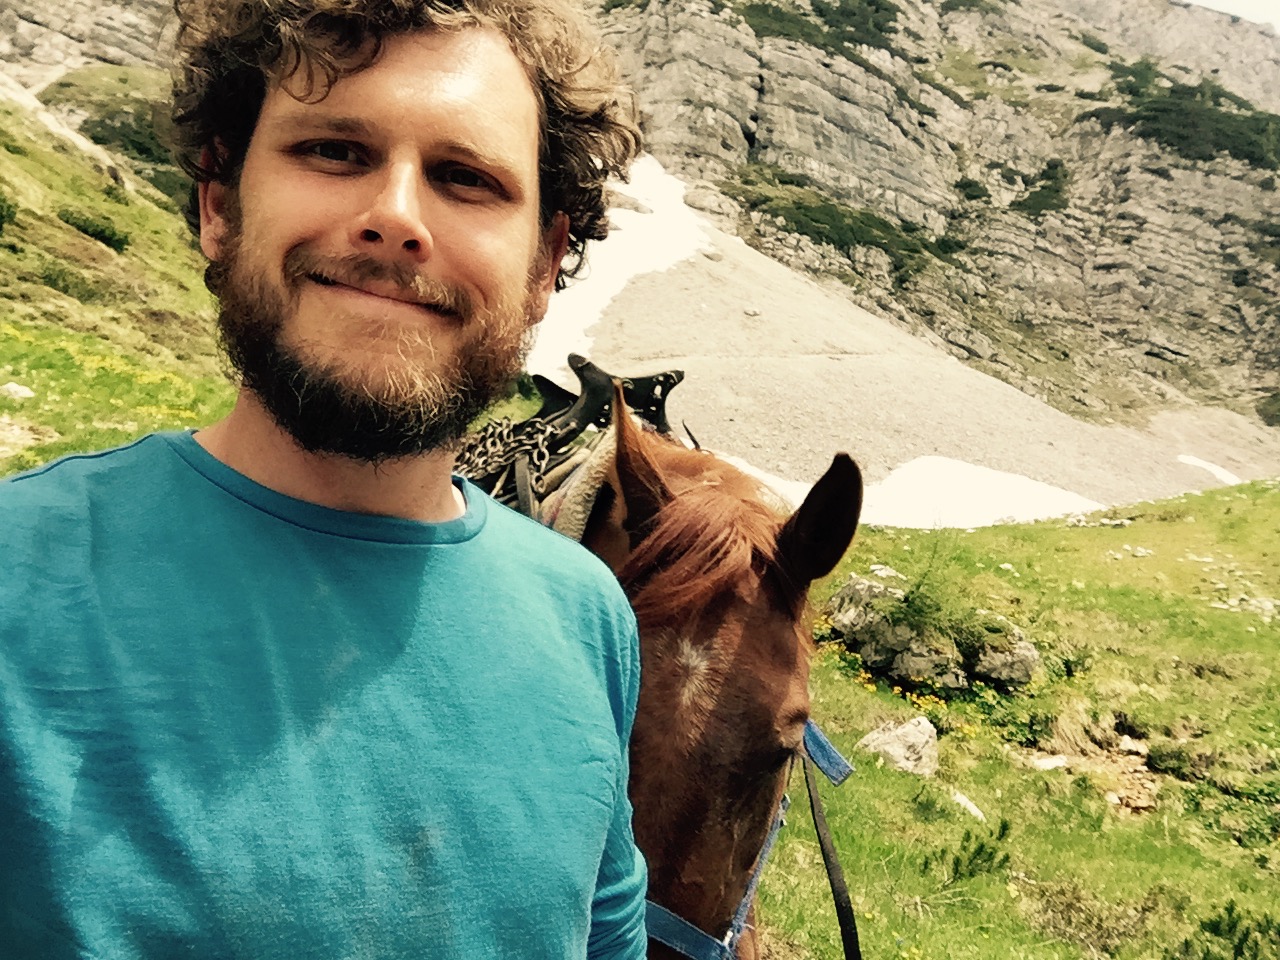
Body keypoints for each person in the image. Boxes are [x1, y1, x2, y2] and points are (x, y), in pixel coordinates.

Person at [0, 0, 647, 956]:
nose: (395, 218)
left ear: (546, 263)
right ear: (220, 203)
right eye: (336, 152)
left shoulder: (587, 618)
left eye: (466, 179)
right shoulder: (18, 573)